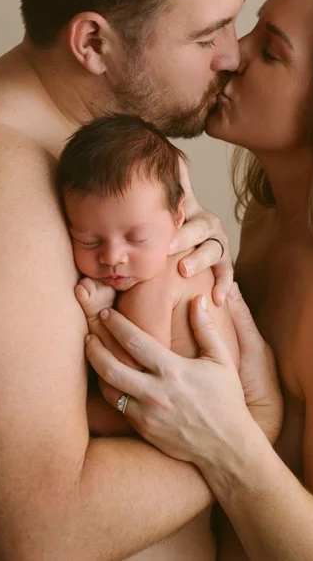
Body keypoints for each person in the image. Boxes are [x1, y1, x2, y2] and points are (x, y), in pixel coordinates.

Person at [0, 0, 289, 559]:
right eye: (208, 32)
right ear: (92, 42)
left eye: (235, 19)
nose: (235, 54)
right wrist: (253, 427)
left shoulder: (104, 156)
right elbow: (45, 529)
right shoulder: (9, 192)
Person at [86, 0, 313, 559]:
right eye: (250, 28)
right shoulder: (271, 213)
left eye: (271, 52)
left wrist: (229, 443)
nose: (230, 55)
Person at [56, 115, 238, 436]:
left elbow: (130, 391)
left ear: (180, 216)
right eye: (89, 240)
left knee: (61, 417)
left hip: (190, 424)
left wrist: (98, 316)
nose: (112, 257)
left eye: (136, 238)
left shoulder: (155, 287)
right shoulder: (179, 258)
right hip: (208, 413)